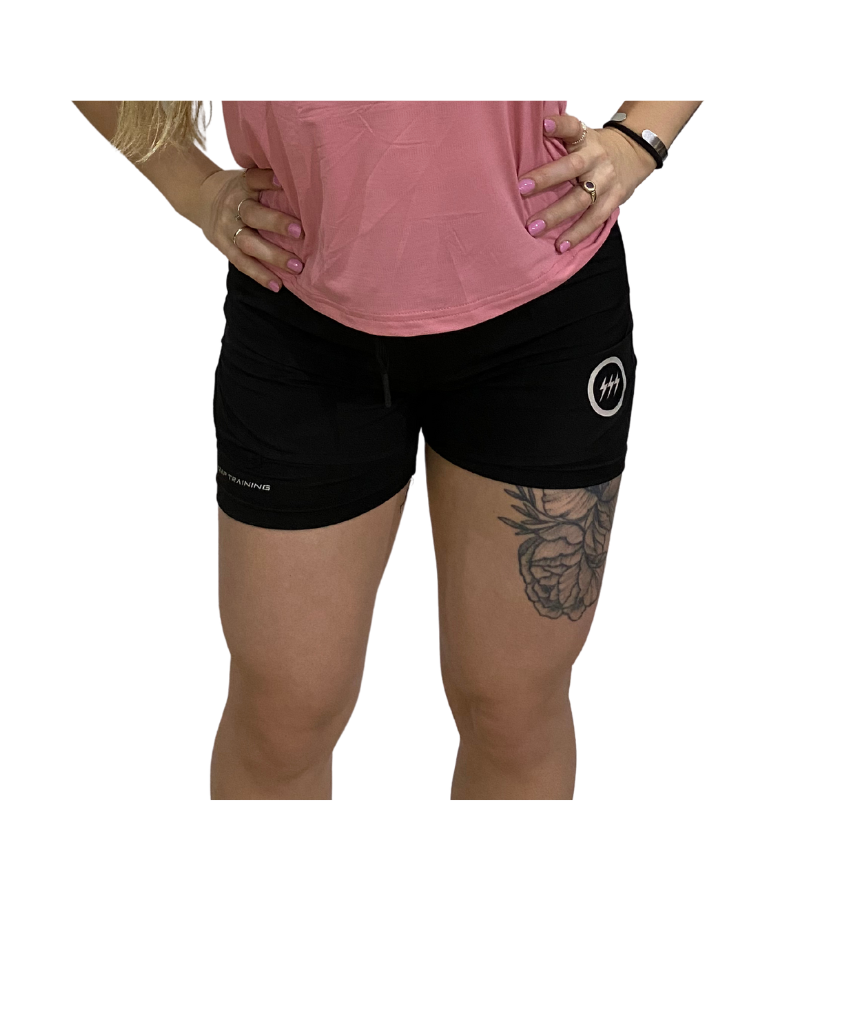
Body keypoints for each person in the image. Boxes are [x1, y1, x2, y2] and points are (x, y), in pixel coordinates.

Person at [74, 99, 701, 801]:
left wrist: (640, 138)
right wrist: (193, 187)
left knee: (512, 712)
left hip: (541, 307)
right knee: (282, 718)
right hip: (302, 303)